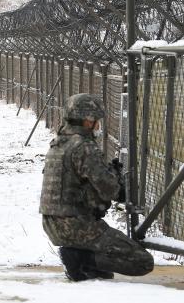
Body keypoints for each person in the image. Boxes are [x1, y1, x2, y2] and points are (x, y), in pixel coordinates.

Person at [40, 93, 154, 281]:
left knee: (103, 272)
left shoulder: (58, 143)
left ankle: (83, 264)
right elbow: (111, 190)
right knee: (142, 261)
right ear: (88, 120)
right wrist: (119, 183)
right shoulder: (83, 147)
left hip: (53, 224)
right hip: (78, 226)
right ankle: (77, 258)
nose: (99, 125)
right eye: (97, 120)